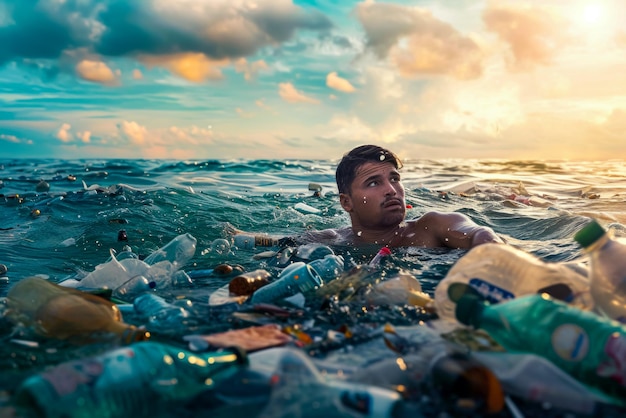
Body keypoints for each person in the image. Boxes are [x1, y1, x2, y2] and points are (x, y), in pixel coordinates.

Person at [236, 144, 504, 249]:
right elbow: (273, 242)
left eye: (395, 179)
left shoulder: (430, 227)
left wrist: (490, 261)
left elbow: (479, 234)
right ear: (346, 202)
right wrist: (231, 235)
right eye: (374, 182)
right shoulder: (334, 239)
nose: (391, 190)